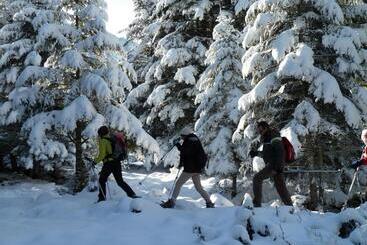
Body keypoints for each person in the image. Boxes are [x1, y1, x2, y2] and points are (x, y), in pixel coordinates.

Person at [160, 127, 214, 208]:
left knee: (178, 184)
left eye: (182, 136)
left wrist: (178, 145)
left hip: (190, 169)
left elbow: (186, 152)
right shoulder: (195, 139)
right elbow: (189, 153)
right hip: (197, 168)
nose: (181, 137)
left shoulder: (189, 141)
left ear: (186, 135)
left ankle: (172, 202)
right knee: (199, 187)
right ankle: (209, 202)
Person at [249, 121, 292, 207]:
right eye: (258, 130)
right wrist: (256, 153)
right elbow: (267, 154)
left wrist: (278, 167)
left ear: (266, 128)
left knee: (257, 178)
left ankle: (256, 204)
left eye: (261, 129)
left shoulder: (273, 136)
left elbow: (281, 152)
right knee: (281, 188)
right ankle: (290, 207)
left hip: (274, 165)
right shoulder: (267, 137)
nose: (259, 131)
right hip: (274, 165)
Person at [94, 126, 139, 202]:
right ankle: (132, 194)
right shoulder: (112, 139)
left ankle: (102, 198)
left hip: (109, 163)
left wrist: (95, 161)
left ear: (100, 134)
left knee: (102, 180)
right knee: (120, 181)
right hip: (117, 163)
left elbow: (102, 155)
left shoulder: (103, 141)